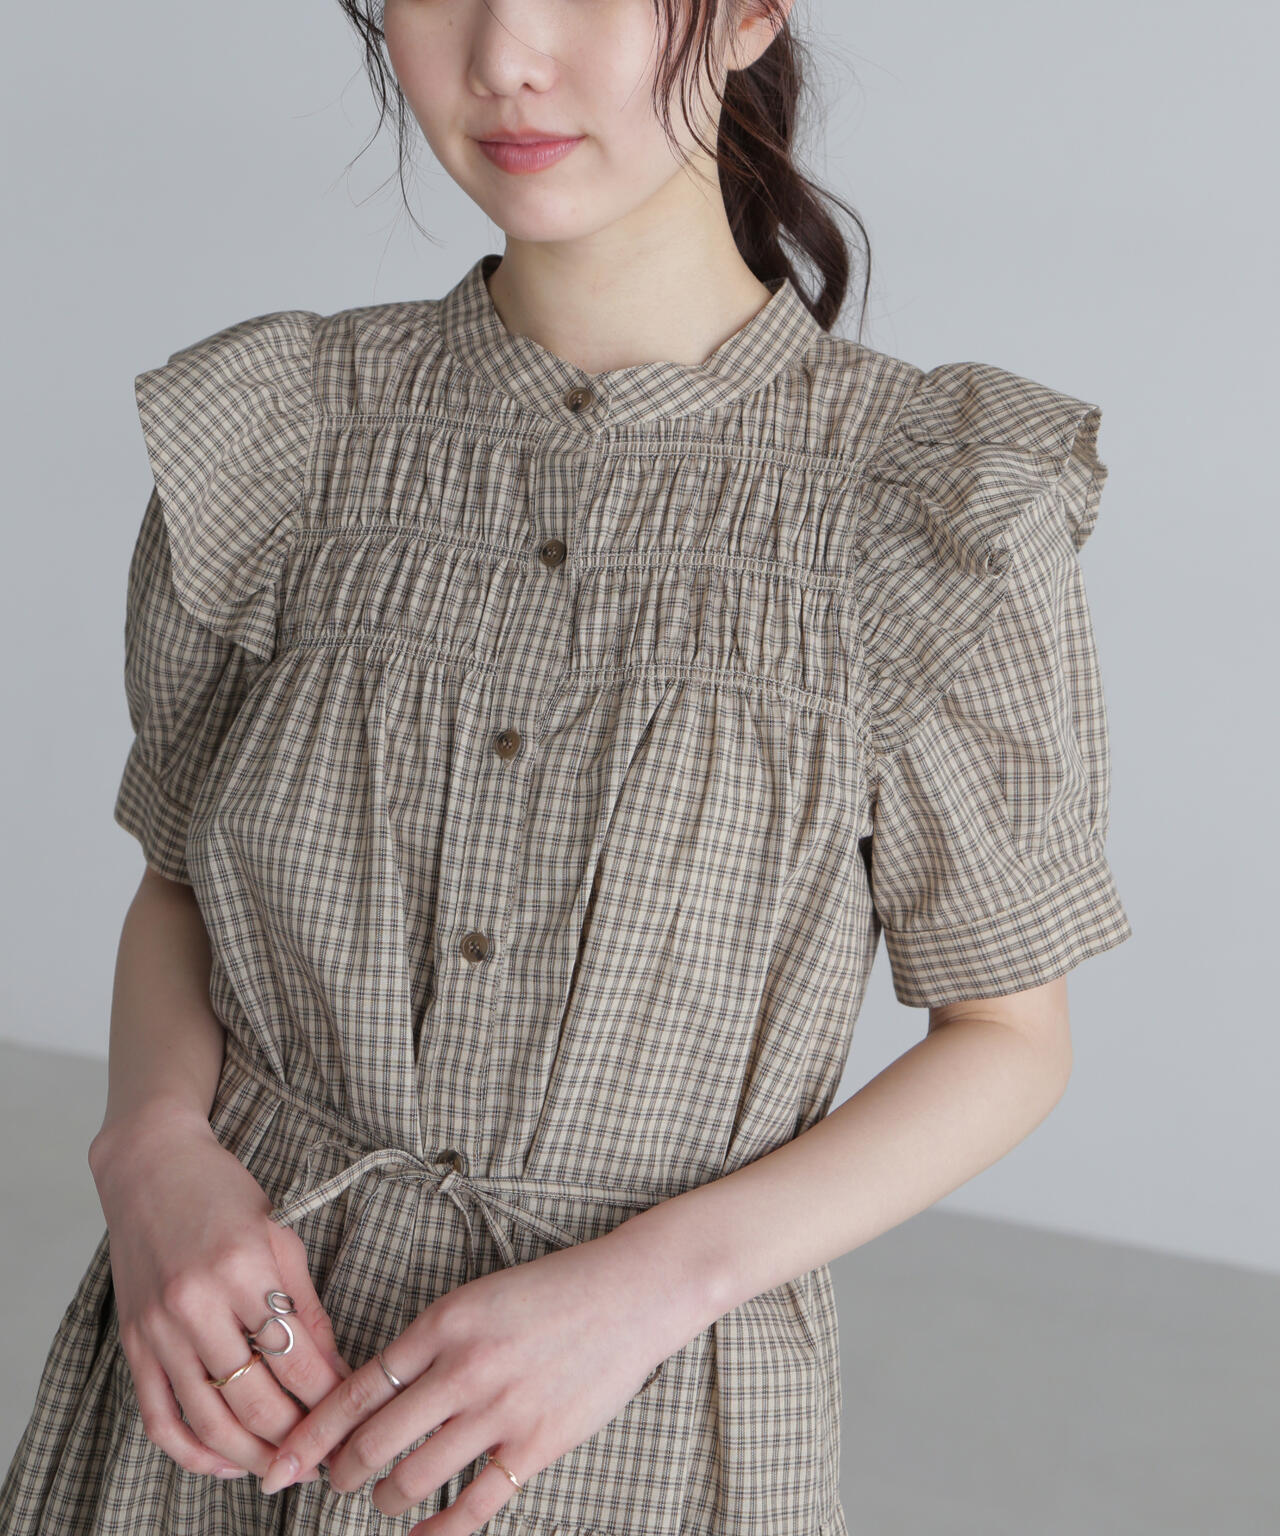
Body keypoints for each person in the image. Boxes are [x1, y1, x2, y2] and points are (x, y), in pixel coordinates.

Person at [0, 0, 1135, 1532]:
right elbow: (181, 888)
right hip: (221, 1389)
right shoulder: (283, 436)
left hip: (628, 1419)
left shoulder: (926, 512)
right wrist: (149, 1153)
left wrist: (655, 1287)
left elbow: (1007, 1034)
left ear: (748, 15)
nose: (505, 57)